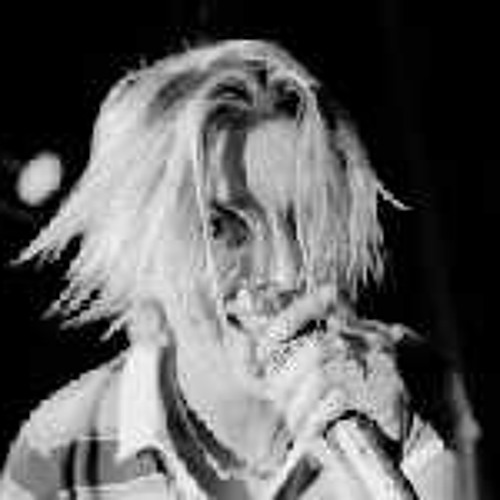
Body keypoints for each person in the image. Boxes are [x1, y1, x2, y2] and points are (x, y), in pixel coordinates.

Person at [0, 39, 469, 499]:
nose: (286, 273)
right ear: (141, 252)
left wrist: (392, 460)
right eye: (220, 227)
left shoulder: (409, 385)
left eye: (305, 218)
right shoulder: (58, 455)